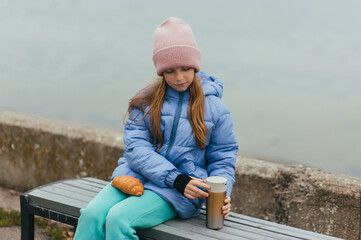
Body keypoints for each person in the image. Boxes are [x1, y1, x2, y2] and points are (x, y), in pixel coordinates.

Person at [73, 17, 238, 240]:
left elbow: (223, 158)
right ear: (161, 71)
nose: (179, 77)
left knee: (118, 219)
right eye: (170, 71)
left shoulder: (216, 109)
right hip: (135, 177)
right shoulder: (145, 101)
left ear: (196, 66)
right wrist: (174, 177)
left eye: (186, 68)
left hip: (178, 192)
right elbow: (136, 149)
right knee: (91, 215)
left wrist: (222, 195)